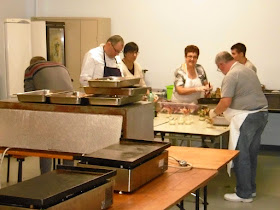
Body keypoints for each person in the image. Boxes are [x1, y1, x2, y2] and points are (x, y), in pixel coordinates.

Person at [209, 51, 268, 203]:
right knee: (251, 154)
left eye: (219, 68)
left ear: (221, 64)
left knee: (241, 155)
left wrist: (213, 113)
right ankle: (250, 188)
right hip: (261, 115)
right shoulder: (246, 69)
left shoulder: (231, 75)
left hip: (247, 118)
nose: (220, 71)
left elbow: (226, 101)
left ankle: (244, 193)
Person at [24, 56, 74, 174]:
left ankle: (45, 175)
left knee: (46, 143)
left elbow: (30, 94)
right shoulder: (61, 66)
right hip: (71, 108)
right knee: (68, 143)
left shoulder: (31, 69)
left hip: (50, 110)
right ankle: (69, 173)